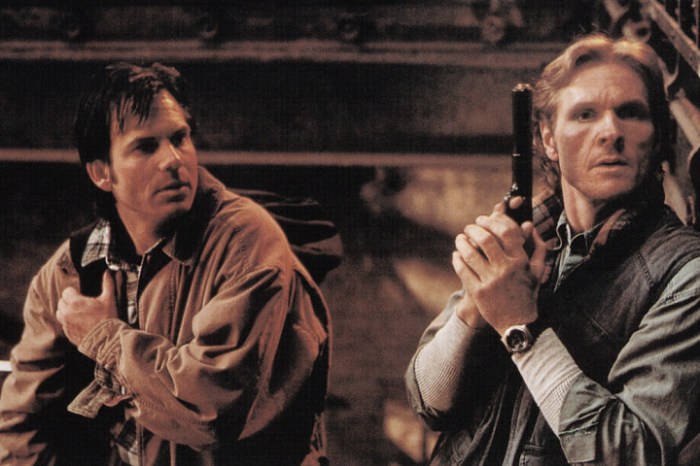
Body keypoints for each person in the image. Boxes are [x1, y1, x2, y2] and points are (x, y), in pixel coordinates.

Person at [0, 62, 332, 465]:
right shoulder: (70, 272)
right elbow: (21, 420)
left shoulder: (246, 242)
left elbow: (211, 408)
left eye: (179, 138)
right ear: (102, 173)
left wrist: (105, 338)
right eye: (146, 146)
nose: (173, 160)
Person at [405, 33, 700, 465]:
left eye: (631, 113)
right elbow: (429, 402)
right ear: (548, 139)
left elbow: (627, 453)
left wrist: (519, 326)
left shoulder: (685, 274)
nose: (611, 132)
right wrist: (477, 302)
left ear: (656, 138)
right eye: (585, 114)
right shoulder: (523, 241)